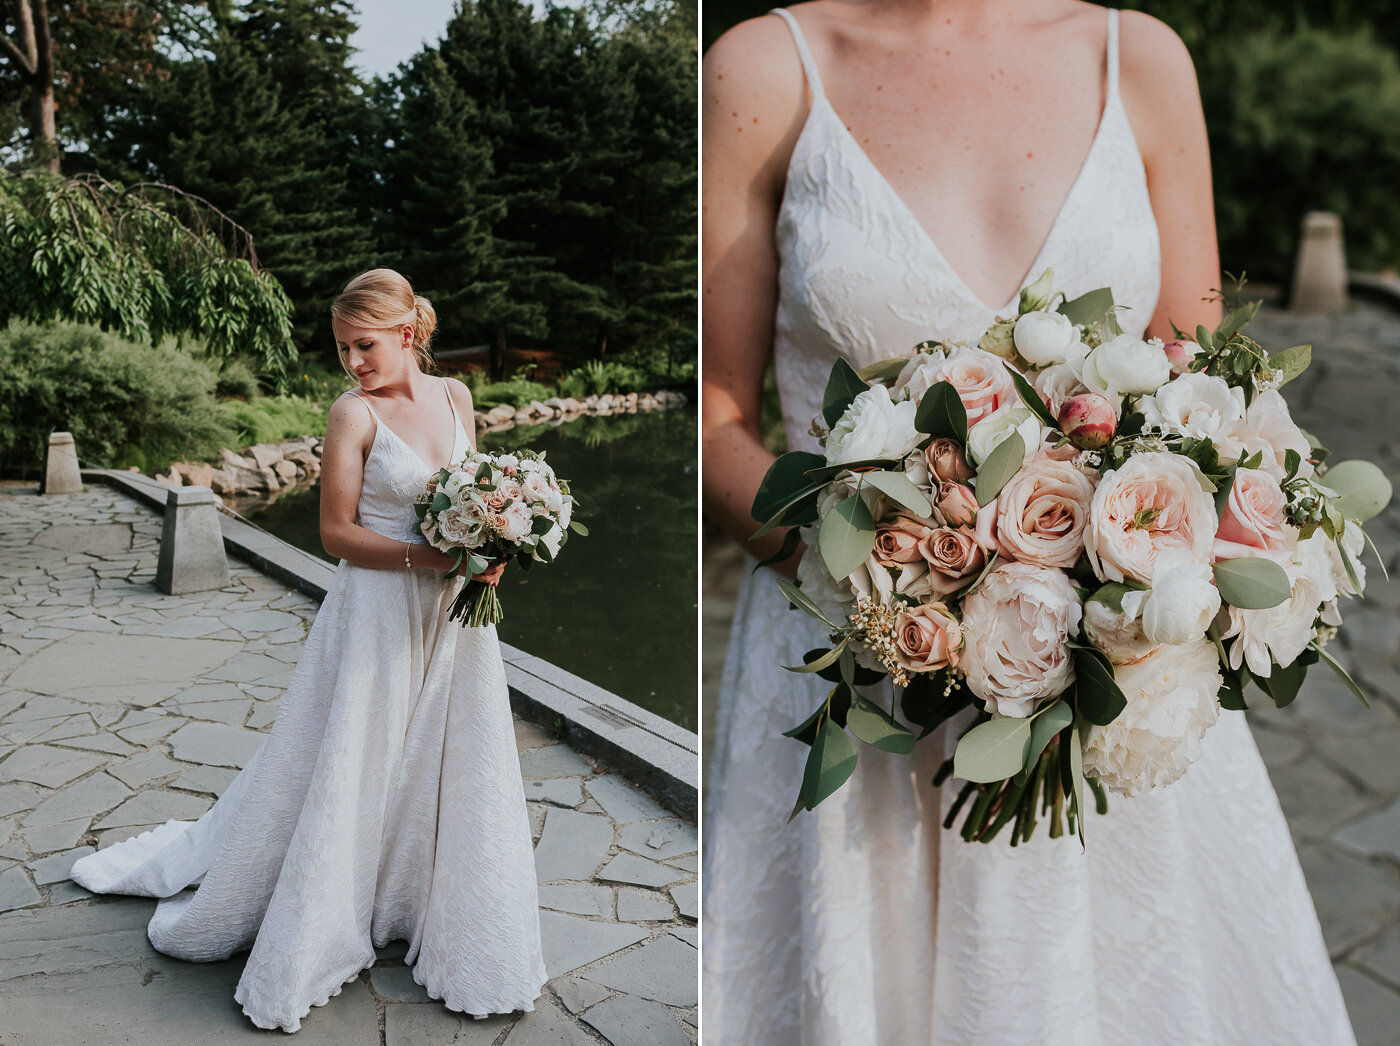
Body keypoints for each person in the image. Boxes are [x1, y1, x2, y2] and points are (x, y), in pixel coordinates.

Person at [700, 3, 1357, 1043]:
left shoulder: (1134, 56)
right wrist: (892, 585)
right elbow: (717, 412)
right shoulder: (763, 67)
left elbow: (1201, 384)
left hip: (1114, 686)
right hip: (860, 685)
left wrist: (1148, 574)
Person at [70, 268, 547, 1032]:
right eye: (342, 349)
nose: (353, 362)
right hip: (380, 609)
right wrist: (437, 559)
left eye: (364, 346)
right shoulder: (350, 414)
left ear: (407, 333)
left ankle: (415, 900)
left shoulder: (457, 399)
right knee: (356, 752)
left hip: (455, 614)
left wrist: (495, 546)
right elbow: (336, 536)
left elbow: (481, 494)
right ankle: (326, 916)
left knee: (447, 755)